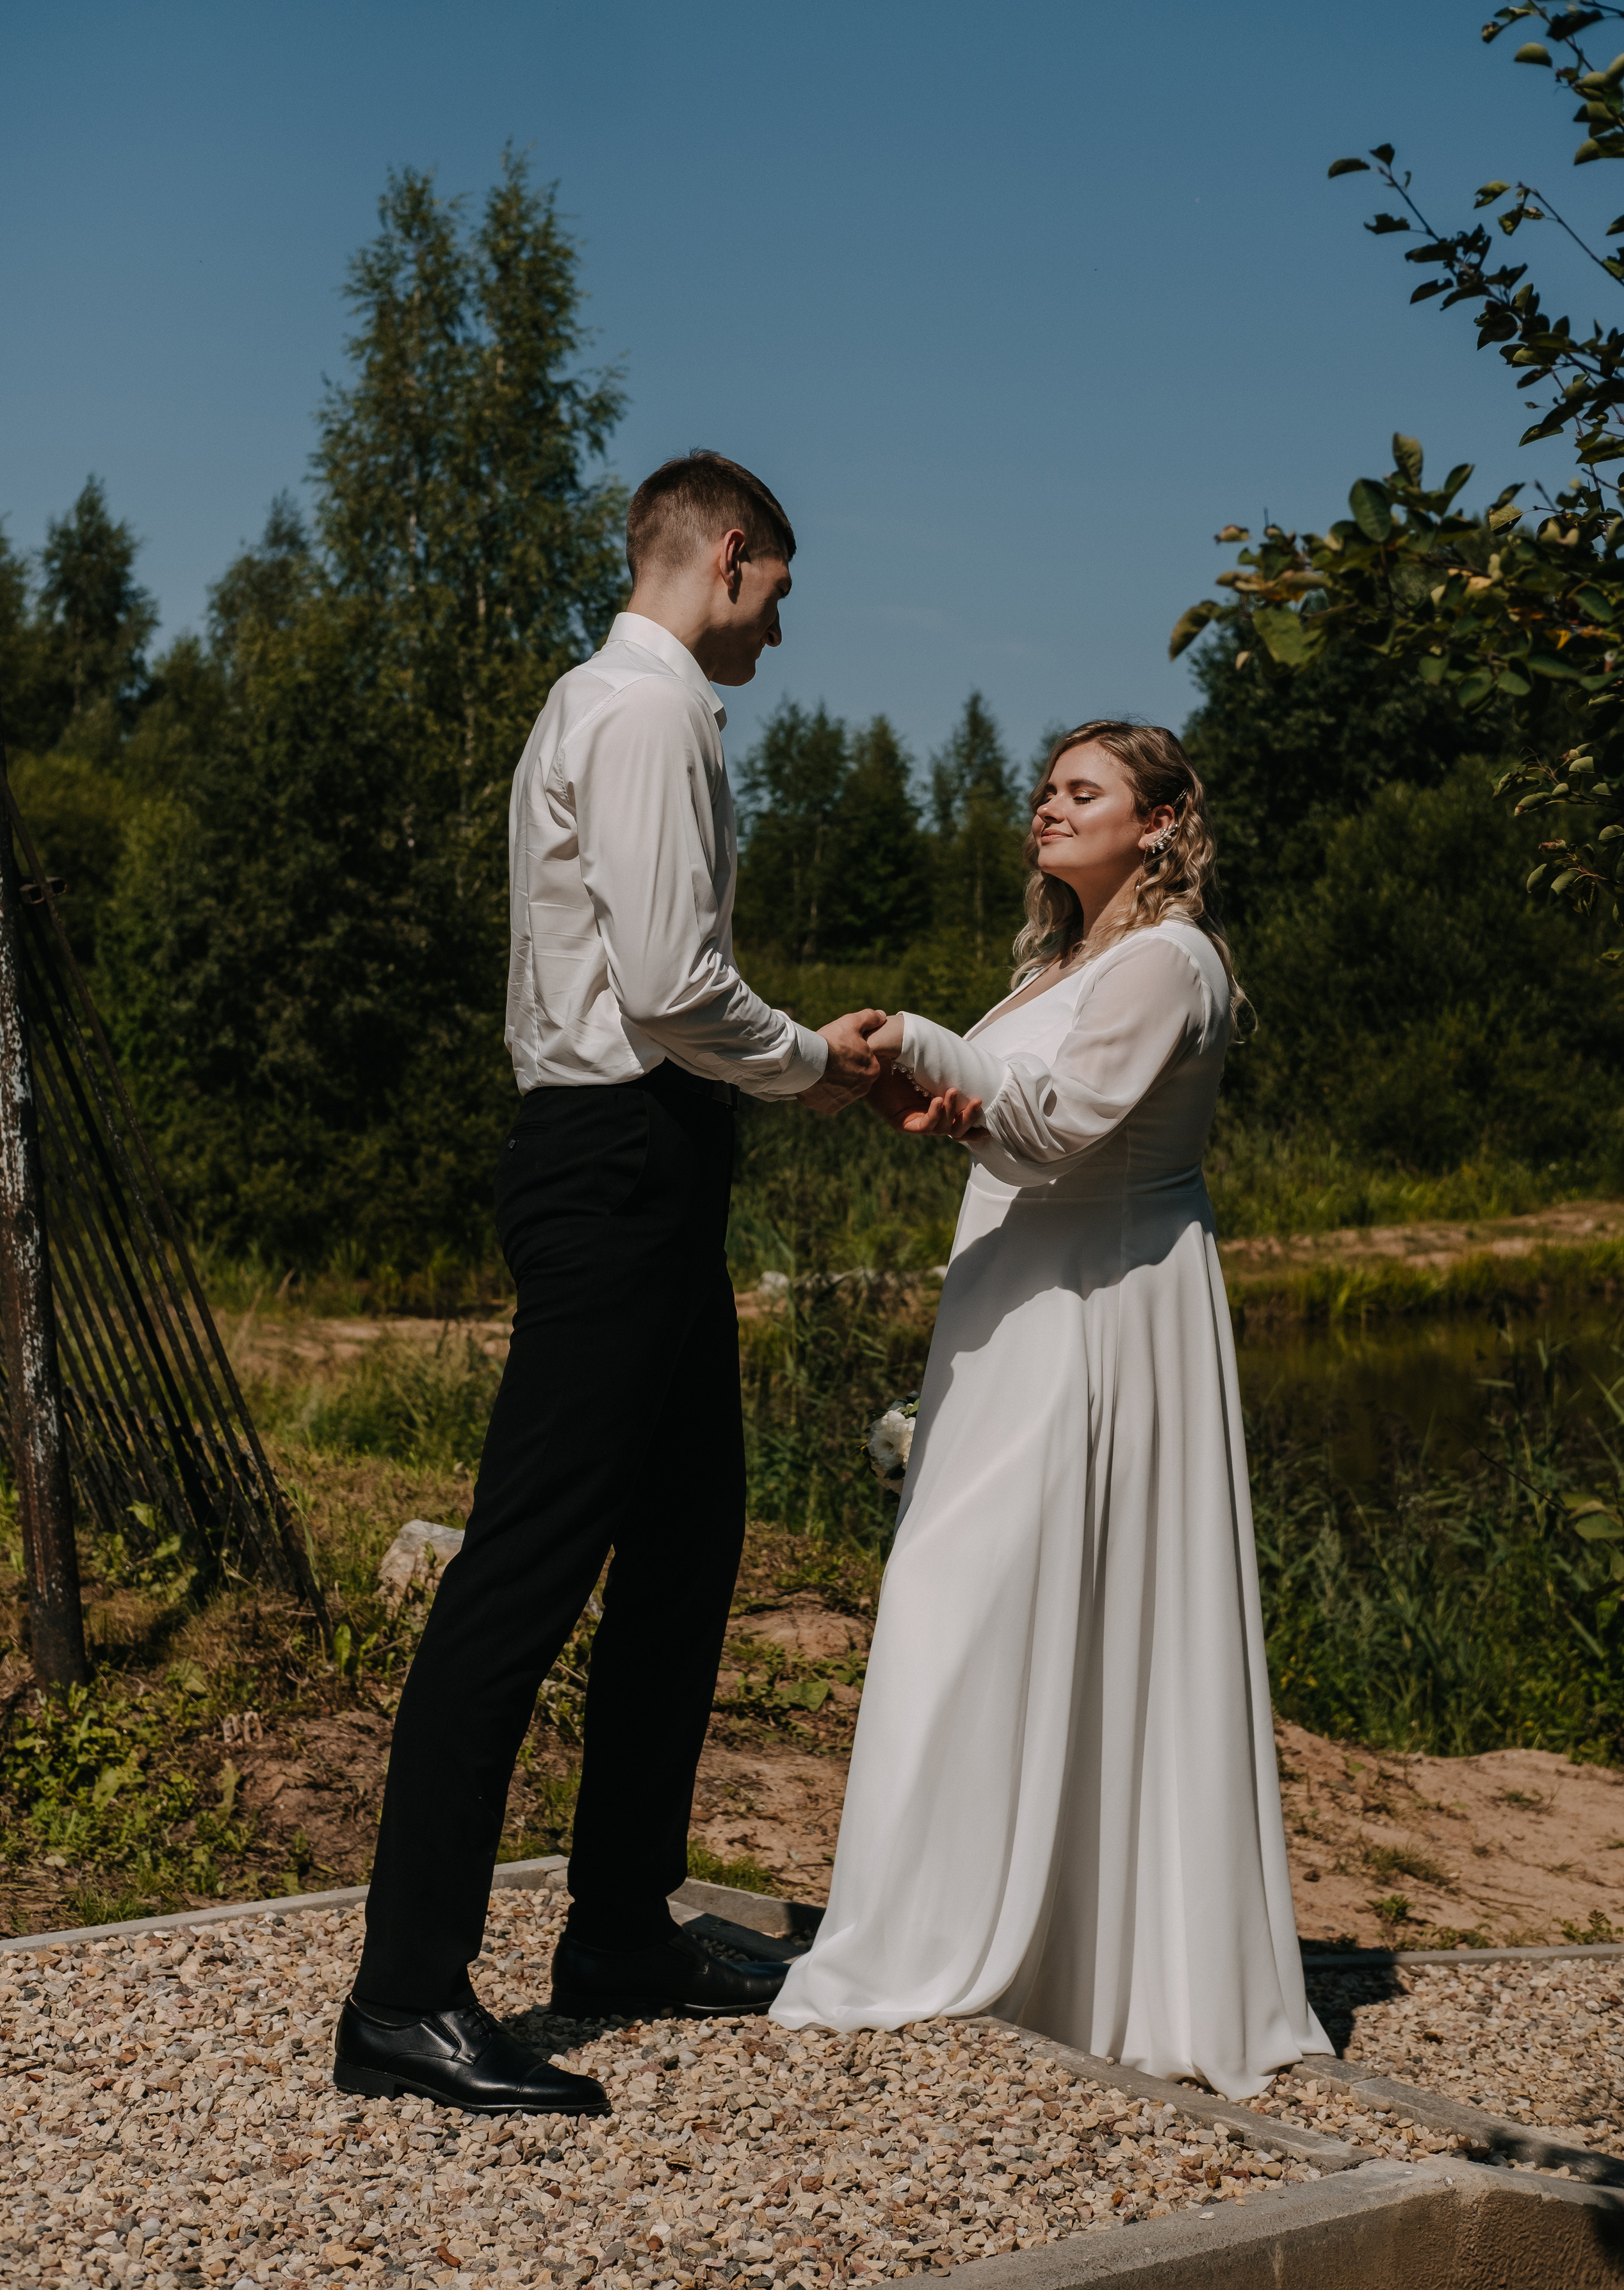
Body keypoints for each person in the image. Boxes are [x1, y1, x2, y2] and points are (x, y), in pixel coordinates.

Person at [337, 452, 885, 2116]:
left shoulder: (606, 704)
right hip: (618, 1159)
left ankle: (619, 1934)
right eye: (775, 599)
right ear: (727, 558)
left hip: (646, 1161)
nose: (776, 638)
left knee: (689, 1546)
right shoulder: (647, 711)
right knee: (524, 1569)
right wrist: (812, 1062)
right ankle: (405, 1998)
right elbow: (665, 983)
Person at [770, 721, 1331, 2099]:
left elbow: (1062, 1118)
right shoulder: (1057, 963)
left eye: (1081, 790)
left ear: (1156, 822)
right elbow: (1010, 1091)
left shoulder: (1166, 963)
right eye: (1043, 788)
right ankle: (978, 1935)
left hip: (1098, 1312)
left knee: (970, 1599)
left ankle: (1003, 1947)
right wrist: (921, 1067)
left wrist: (927, 1061)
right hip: (1012, 1304)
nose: (1046, 806)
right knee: (989, 1605)